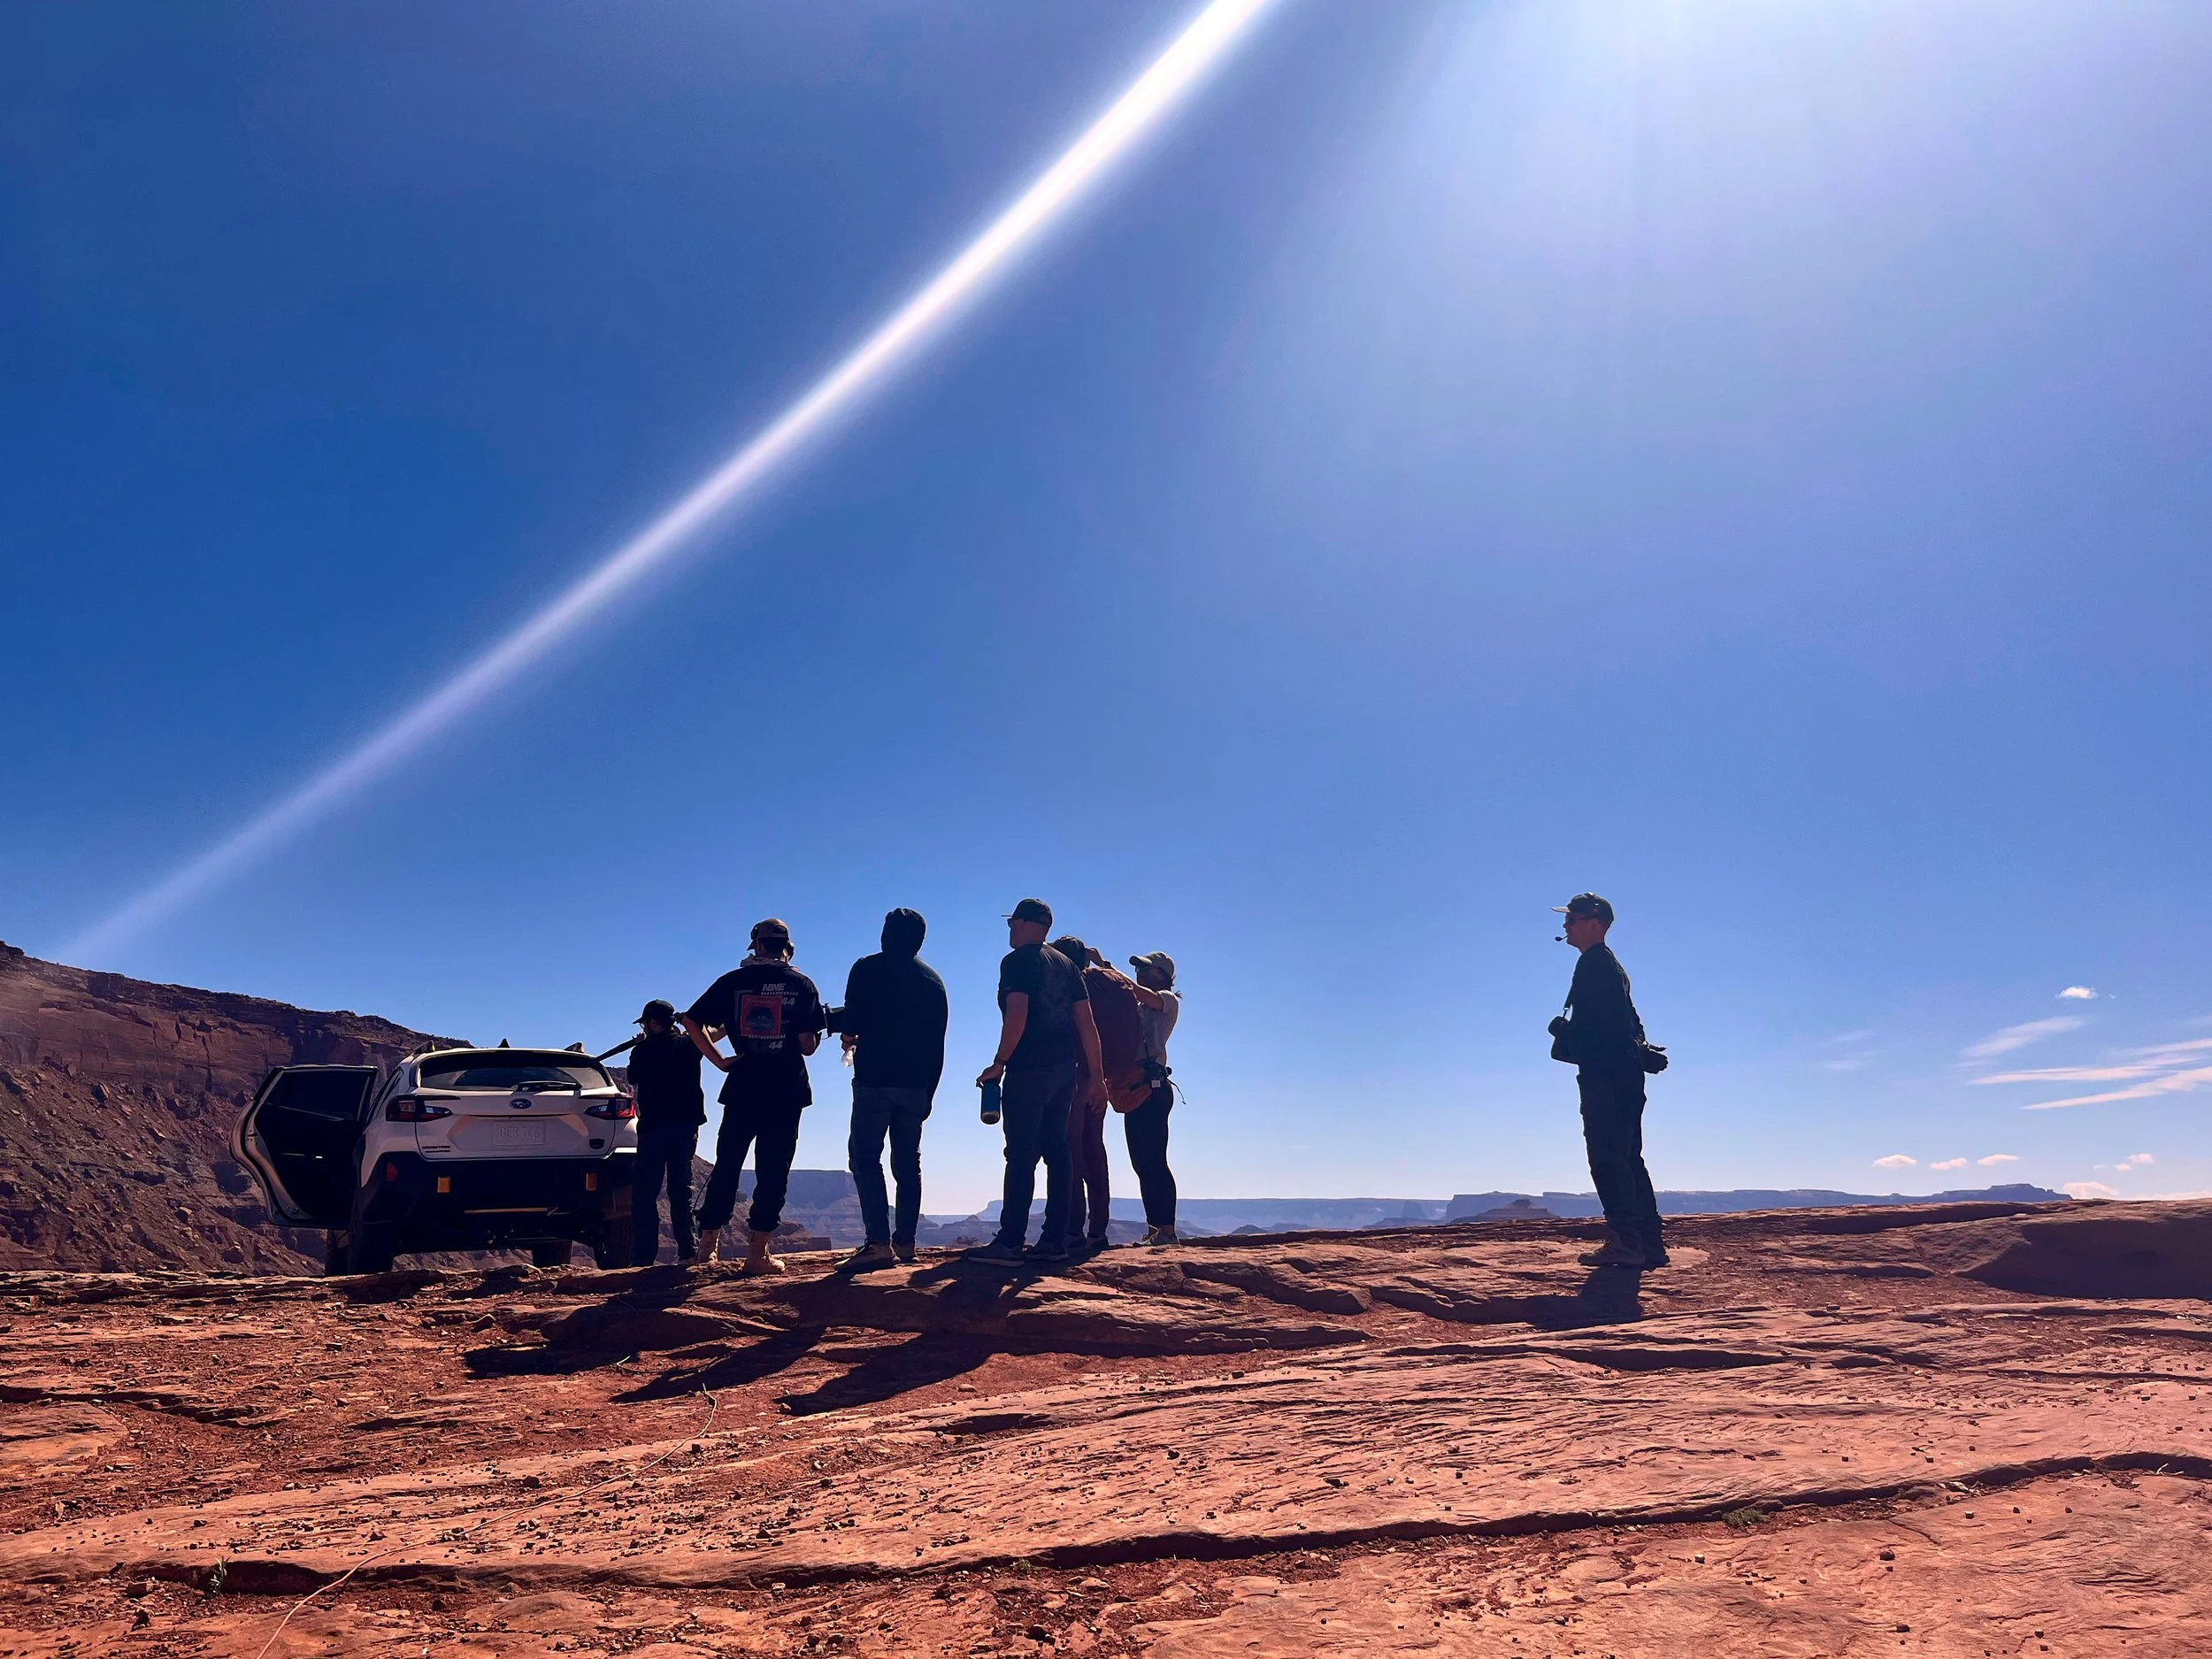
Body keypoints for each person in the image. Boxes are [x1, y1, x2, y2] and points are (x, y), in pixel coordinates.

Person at [682, 918, 826, 1276]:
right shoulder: (802, 984)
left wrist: (718, 1062)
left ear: (757, 946)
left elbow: (691, 1021)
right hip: (785, 1091)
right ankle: (758, 1253)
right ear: (787, 947)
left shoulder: (733, 982)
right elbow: (807, 1046)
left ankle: (706, 1249)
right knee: (773, 1170)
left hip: (743, 1087)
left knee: (728, 1165)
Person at [972, 899, 1104, 1266]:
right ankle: (1055, 1241)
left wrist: (999, 1063)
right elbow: (1086, 1023)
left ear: (1029, 924)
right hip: (1064, 1071)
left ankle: (1010, 1243)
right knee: (1058, 1151)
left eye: (1014, 922)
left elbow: (1017, 1013)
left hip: (1029, 1069)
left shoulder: (1018, 961)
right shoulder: (1066, 964)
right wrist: (1096, 1077)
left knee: (1021, 1154)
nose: (1010, 928)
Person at [1551, 893, 1667, 1270]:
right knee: (1629, 1157)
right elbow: (1629, 1019)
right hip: (1624, 1074)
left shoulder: (1595, 965)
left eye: (1573, 919)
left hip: (1606, 1076)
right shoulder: (1608, 965)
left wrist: (1568, 1035)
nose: (1566, 926)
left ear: (1595, 923)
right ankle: (1649, 1243)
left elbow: (1605, 1027)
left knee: (1607, 1157)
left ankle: (1626, 1244)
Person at [839, 908, 949, 1270]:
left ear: (886, 934)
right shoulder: (933, 981)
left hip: (875, 1081)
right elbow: (938, 1043)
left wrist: (848, 1034)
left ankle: (878, 1243)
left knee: (866, 1157)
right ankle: (906, 1243)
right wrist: (930, 1093)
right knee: (908, 1163)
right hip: (917, 1084)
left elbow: (851, 1024)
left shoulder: (866, 969)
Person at [1052, 936, 1143, 1252]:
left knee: (1071, 1152)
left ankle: (1073, 1231)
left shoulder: (1073, 989)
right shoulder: (1109, 985)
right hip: (1102, 1080)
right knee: (1095, 1150)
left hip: (1075, 1078)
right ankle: (1098, 1230)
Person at [622, 999, 706, 1265]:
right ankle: (687, 1251)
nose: (645, 1028)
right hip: (685, 1127)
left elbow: (632, 1077)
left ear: (655, 1023)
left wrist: (639, 1045)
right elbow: (708, 1035)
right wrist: (688, 1027)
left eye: (647, 1023)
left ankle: (644, 1256)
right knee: (681, 1189)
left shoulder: (642, 1051)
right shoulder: (690, 1045)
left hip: (654, 1128)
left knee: (646, 1193)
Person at [1111, 951, 1181, 1245]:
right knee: (1141, 1162)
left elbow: (1135, 991)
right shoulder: (1140, 1005)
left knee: (1154, 1160)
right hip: (1135, 1088)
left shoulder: (1168, 1000)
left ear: (1162, 975)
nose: (1139, 971)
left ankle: (1167, 1230)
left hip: (1153, 1089)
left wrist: (1108, 969)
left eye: (1145, 968)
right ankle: (1155, 1229)